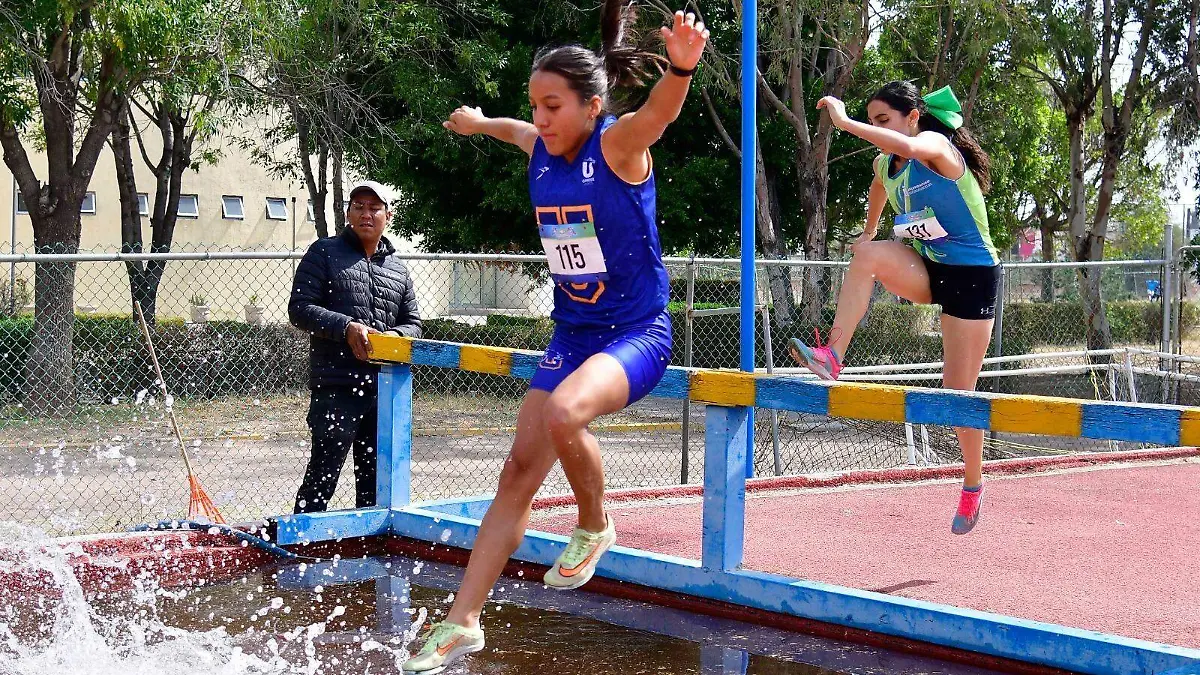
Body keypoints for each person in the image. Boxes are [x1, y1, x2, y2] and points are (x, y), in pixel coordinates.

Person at [401, 3, 708, 673]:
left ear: (592, 107)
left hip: (637, 333)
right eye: (535, 106)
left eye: (553, 106)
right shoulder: (540, 148)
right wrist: (480, 124)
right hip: (574, 332)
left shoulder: (618, 145)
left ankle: (595, 521)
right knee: (517, 471)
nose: (540, 119)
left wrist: (682, 64)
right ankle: (463, 622)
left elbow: (660, 112)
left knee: (568, 411)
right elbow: (512, 130)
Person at [788, 82, 999, 536]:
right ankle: (832, 356)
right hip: (930, 267)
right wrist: (868, 232)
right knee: (867, 256)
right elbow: (879, 184)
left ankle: (973, 481)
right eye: (873, 120)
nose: (880, 129)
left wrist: (844, 123)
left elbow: (903, 145)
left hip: (973, 276)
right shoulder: (889, 163)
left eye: (884, 120)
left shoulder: (935, 147)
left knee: (957, 393)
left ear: (913, 117)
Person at [288, 180, 422, 514]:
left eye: (374, 207)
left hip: (385, 390)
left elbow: (414, 322)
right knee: (323, 474)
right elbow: (300, 308)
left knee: (376, 483)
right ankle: (301, 545)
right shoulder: (324, 253)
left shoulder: (398, 269)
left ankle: (369, 554)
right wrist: (346, 328)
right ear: (348, 213)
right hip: (337, 386)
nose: (366, 213)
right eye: (359, 206)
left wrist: (396, 337)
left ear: (387, 216)